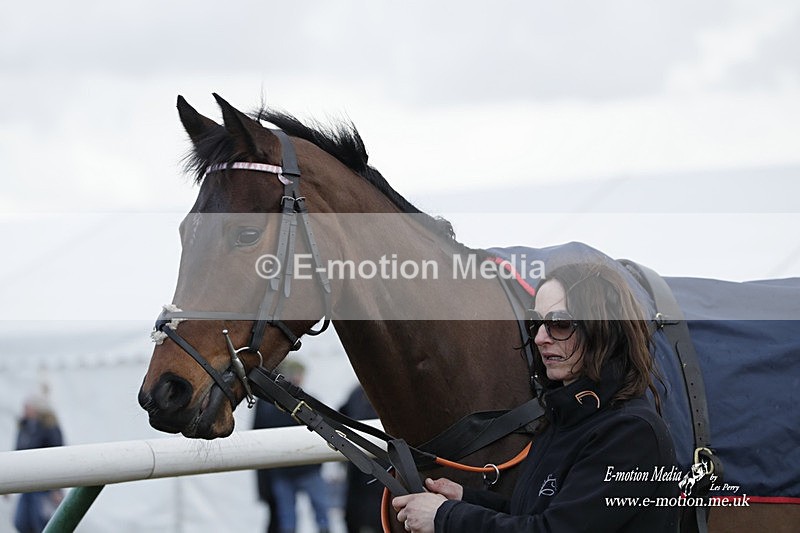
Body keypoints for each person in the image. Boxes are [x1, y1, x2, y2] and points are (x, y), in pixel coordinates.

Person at [393, 262, 680, 532]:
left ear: (603, 328)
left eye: (559, 323)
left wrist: (445, 517)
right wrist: (464, 499)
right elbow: (533, 514)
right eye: (536, 323)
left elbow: (553, 529)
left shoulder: (630, 433)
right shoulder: (564, 418)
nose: (541, 337)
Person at [253, 360, 331, 533]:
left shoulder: (274, 406)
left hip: (298, 469)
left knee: (313, 514)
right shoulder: (271, 406)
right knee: (292, 517)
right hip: (291, 470)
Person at [13, 393, 64, 533]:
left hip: (45, 487)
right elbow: (16, 454)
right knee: (21, 522)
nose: (24, 410)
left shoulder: (50, 427)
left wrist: (56, 488)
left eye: (27, 407)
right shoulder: (24, 426)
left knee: (43, 524)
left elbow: (58, 457)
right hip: (26, 485)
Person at [339, 384, 384, 533]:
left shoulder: (358, 393)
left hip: (365, 469)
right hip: (372, 470)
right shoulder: (359, 393)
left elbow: (341, 414)